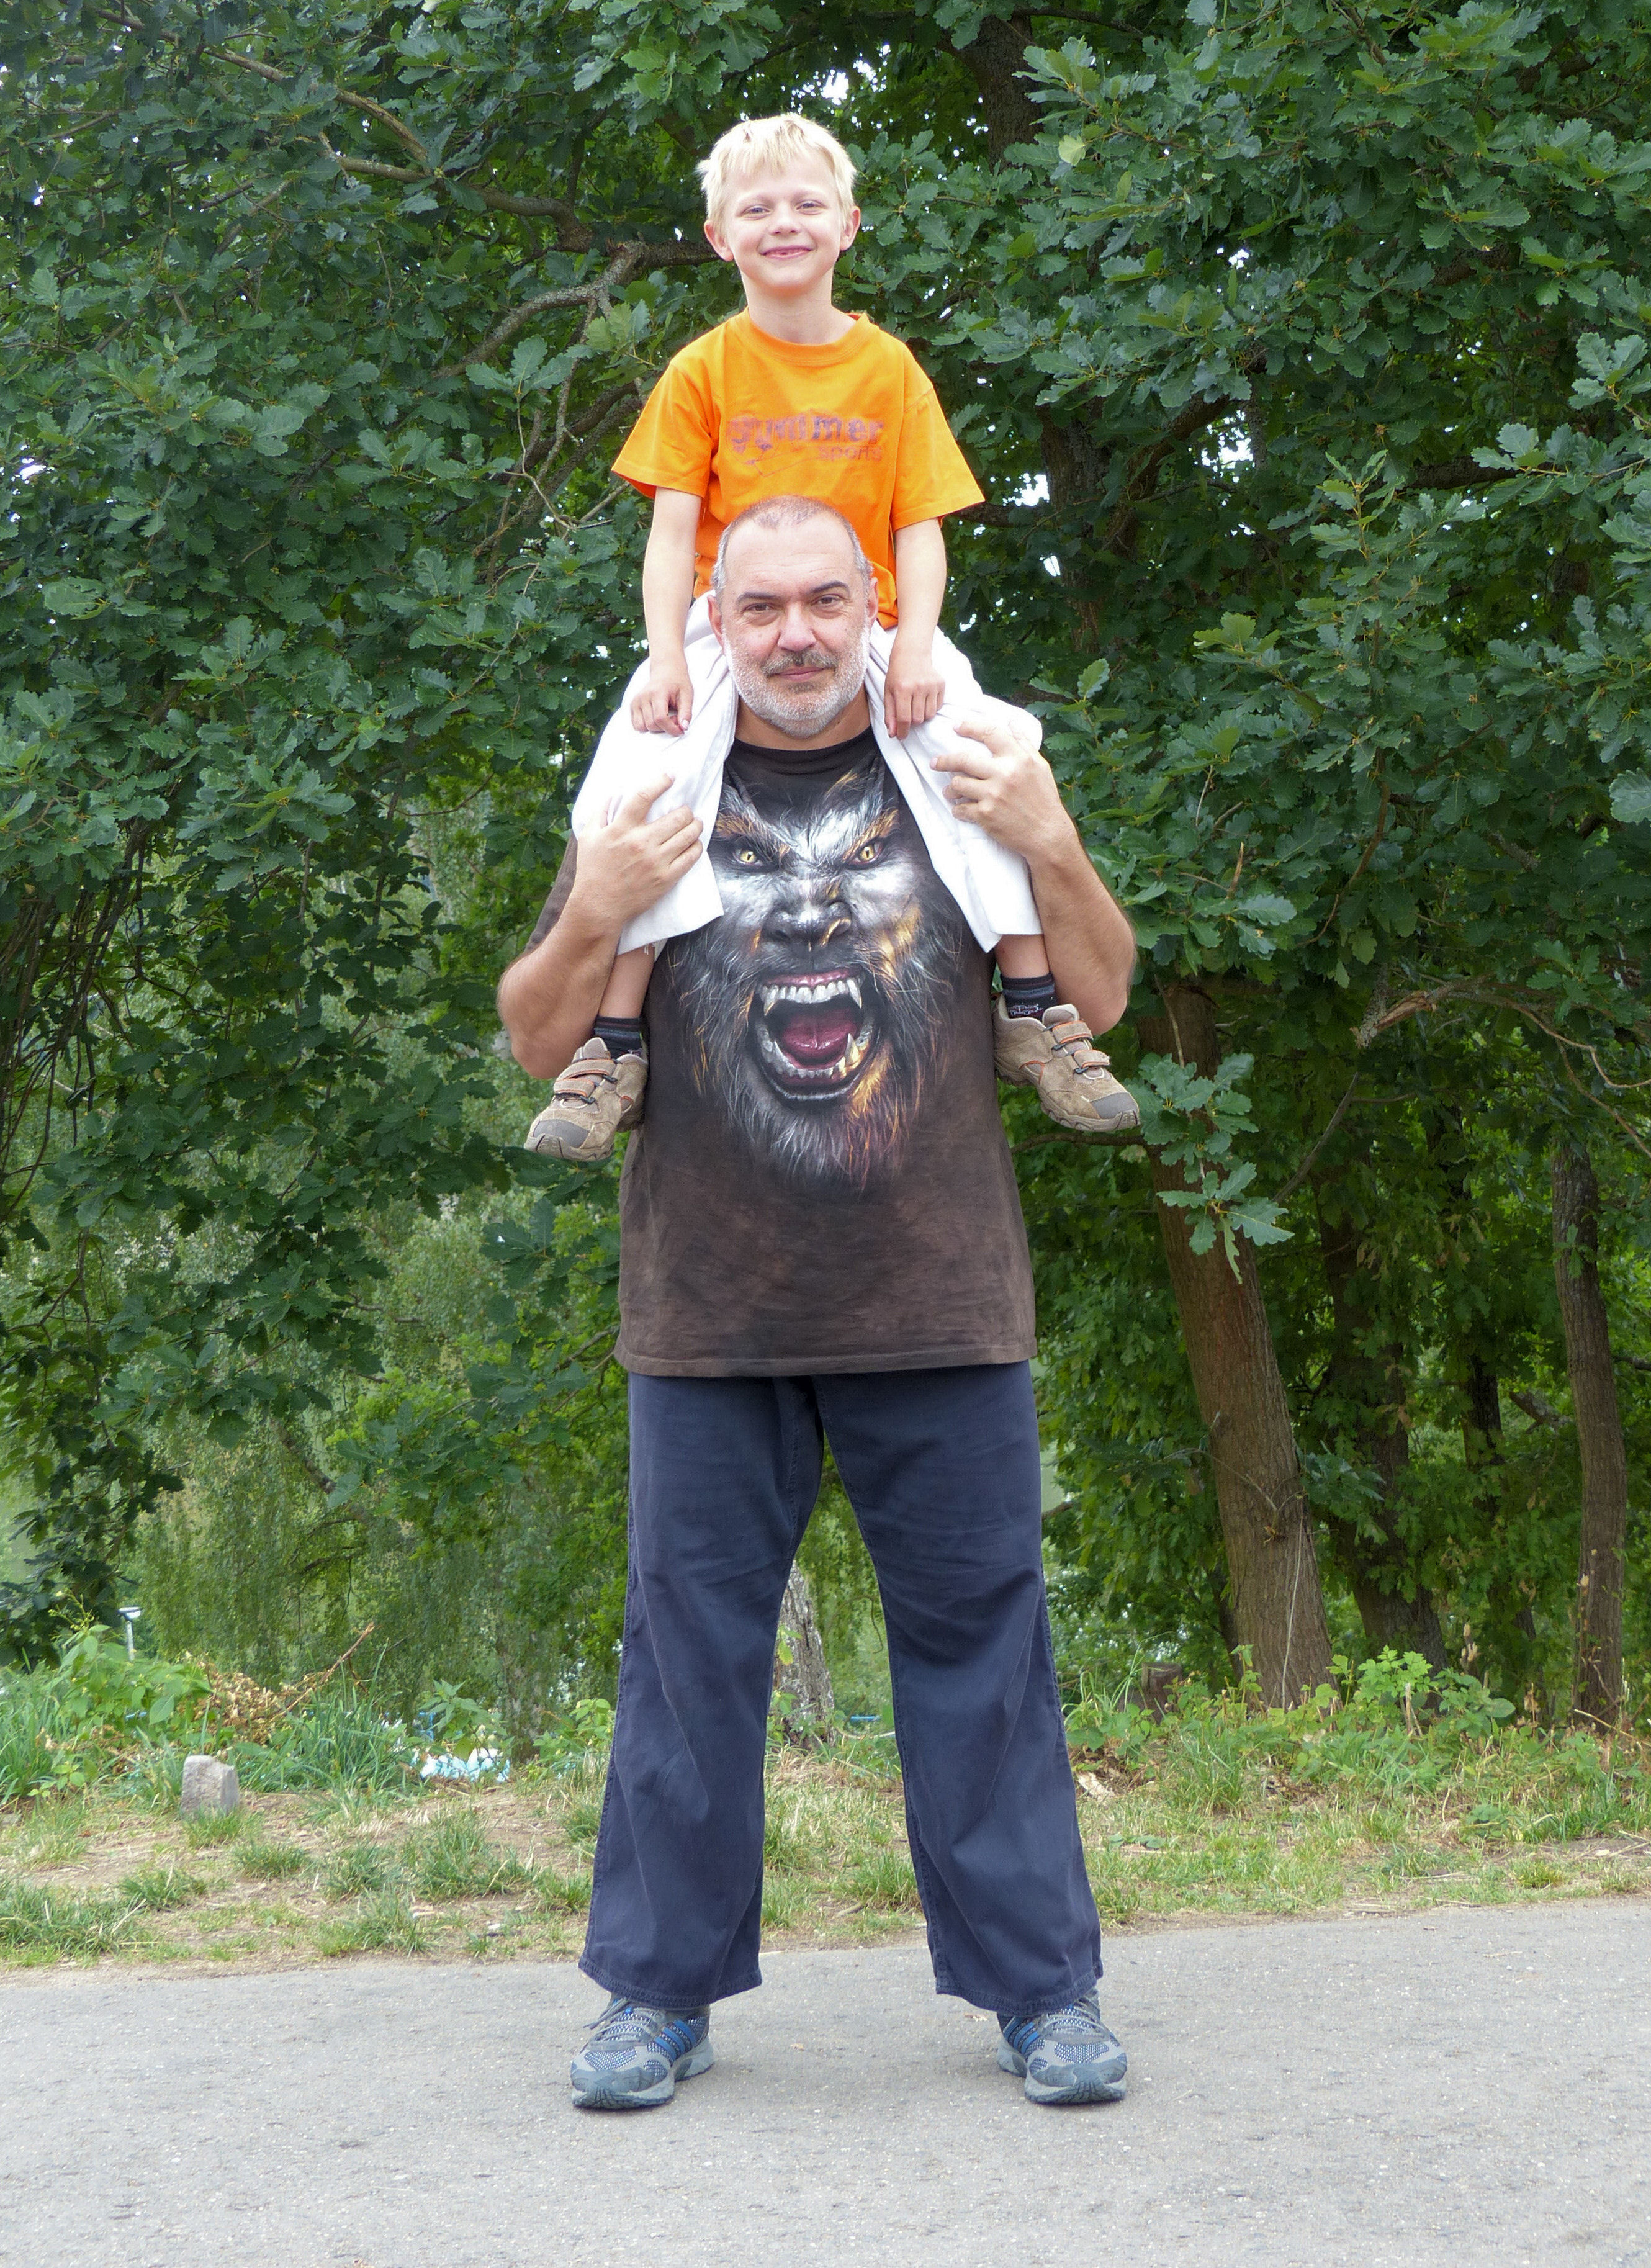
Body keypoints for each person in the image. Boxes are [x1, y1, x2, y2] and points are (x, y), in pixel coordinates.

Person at [498, 495, 1136, 2112]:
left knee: (985, 1652)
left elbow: (1102, 994)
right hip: (708, 1313)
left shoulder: (958, 763)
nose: (794, 633)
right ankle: (655, 1996)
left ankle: (1041, 1995)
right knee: (685, 1664)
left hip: (941, 1299)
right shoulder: (656, 770)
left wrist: (1054, 835)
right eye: (760, 605)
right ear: (712, 619)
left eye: (824, 601)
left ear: (874, 609)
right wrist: (597, 903)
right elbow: (534, 1037)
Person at [527, 110, 1139, 1163]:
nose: (785, 222)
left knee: (991, 759)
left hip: (876, 622)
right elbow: (671, 536)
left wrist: (917, 647)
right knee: (639, 784)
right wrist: (667, 656)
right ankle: (612, 1045)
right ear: (720, 236)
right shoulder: (703, 372)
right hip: (735, 629)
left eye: (808, 203)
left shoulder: (888, 369)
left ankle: (1037, 1007)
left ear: (848, 225)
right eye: (757, 207)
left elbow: (922, 527)